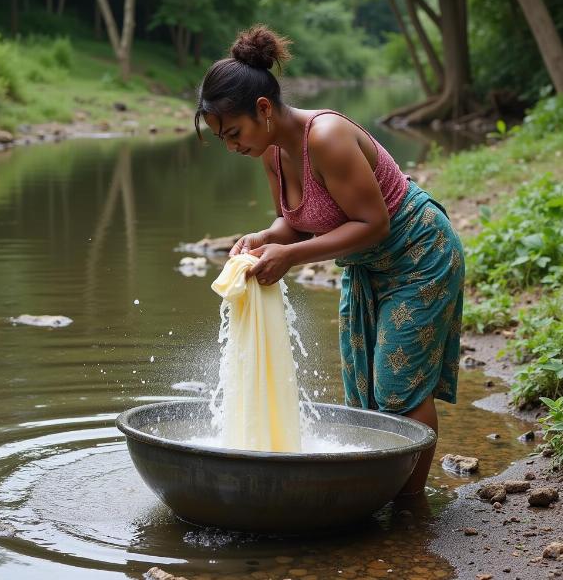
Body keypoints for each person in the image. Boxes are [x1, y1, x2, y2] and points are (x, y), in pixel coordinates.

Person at [194, 25, 465, 496]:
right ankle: (379, 495)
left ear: (263, 109)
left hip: (419, 254)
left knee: (399, 388)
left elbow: (372, 223)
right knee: (363, 390)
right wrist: (263, 238)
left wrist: (291, 257)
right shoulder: (271, 153)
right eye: (224, 140)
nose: (233, 146)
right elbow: (295, 222)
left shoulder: (327, 136)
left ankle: (408, 507)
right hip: (365, 265)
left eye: (234, 133)